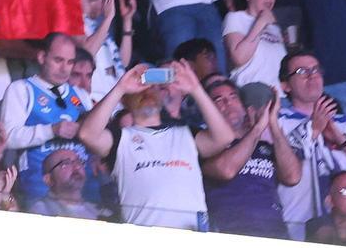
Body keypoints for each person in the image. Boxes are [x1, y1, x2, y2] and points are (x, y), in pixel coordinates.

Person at [79, 61, 236, 230]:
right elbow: (87, 135)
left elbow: (224, 137)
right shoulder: (121, 139)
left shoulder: (186, 134)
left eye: (153, 88)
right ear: (125, 100)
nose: (147, 92)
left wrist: (195, 89)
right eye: (140, 88)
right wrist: (120, 88)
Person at [276, 49, 346, 241]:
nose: (312, 76)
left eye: (315, 70)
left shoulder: (345, 122)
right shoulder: (277, 120)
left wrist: (340, 138)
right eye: (301, 72)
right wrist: (312, 129)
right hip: (297, 224)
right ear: (285, 85)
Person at [201, 79, 301, 238]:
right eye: (218, 100)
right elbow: (226, 170)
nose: (228, 102)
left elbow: (292, 177)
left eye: (234, 97)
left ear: (245, 108)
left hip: (275, 233)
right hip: (230, 232)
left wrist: (273, 122)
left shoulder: (265, 147)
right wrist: (258, 128)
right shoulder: (206, 147)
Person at [2, 32, 92, 204]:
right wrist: (52, 130)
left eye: (70, 62)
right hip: (37, 188)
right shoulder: (21, 89)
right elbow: (8, 138)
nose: (65, 68)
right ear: (42, 57)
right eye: (58, 60)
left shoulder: (81, 95)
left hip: (82, 188)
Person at [222, 0, 288, 90]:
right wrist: (261, 22)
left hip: (279, 95)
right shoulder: (236, 17)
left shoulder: (274, 27)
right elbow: (239, 58)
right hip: (253, 93)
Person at [27, 145, 111, 220]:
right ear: (48, 179)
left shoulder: (102, 212)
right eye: (66, 163)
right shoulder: (39, 212)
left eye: (78, 161)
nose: (77, 167)